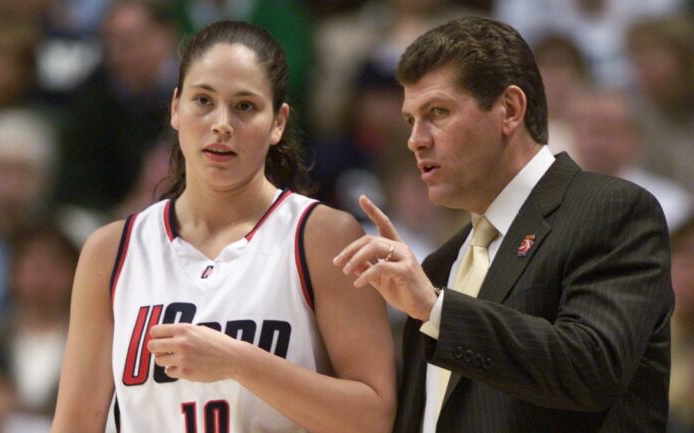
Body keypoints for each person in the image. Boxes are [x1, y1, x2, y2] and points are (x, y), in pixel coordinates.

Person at [51, 21, 395, 433]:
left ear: (279, 122)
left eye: (245, 106)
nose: (221, 124)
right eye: (203, 100)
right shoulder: (111, 251)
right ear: (176, 107)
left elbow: (374, 417)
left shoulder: (322, 237)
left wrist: (238, 362)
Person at [333, 16, 674, 432]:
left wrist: (436, 309)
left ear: (509, 110)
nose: (415, 140)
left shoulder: (611, 210)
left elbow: (592, 366)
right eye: (410, 120)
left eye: (437, 112)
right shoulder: (439, 266)